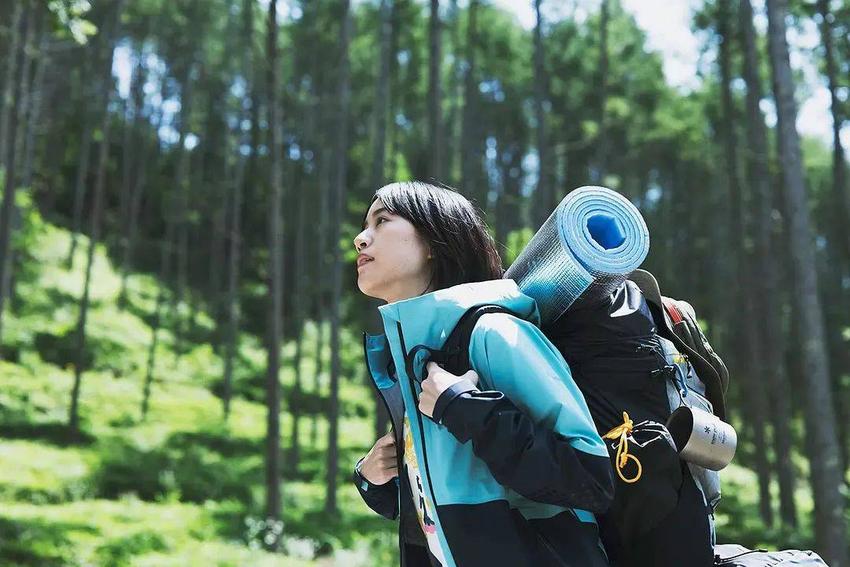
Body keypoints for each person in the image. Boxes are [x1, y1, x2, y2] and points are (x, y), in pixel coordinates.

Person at [351, 181, 614, 567]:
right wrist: (375, 480)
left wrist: (466, 409)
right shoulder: (418, 355)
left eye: (382, 221)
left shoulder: (495, 334)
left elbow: (589, 480)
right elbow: (451, 504)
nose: (360, 239)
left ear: (432, 244)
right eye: (365, 225)